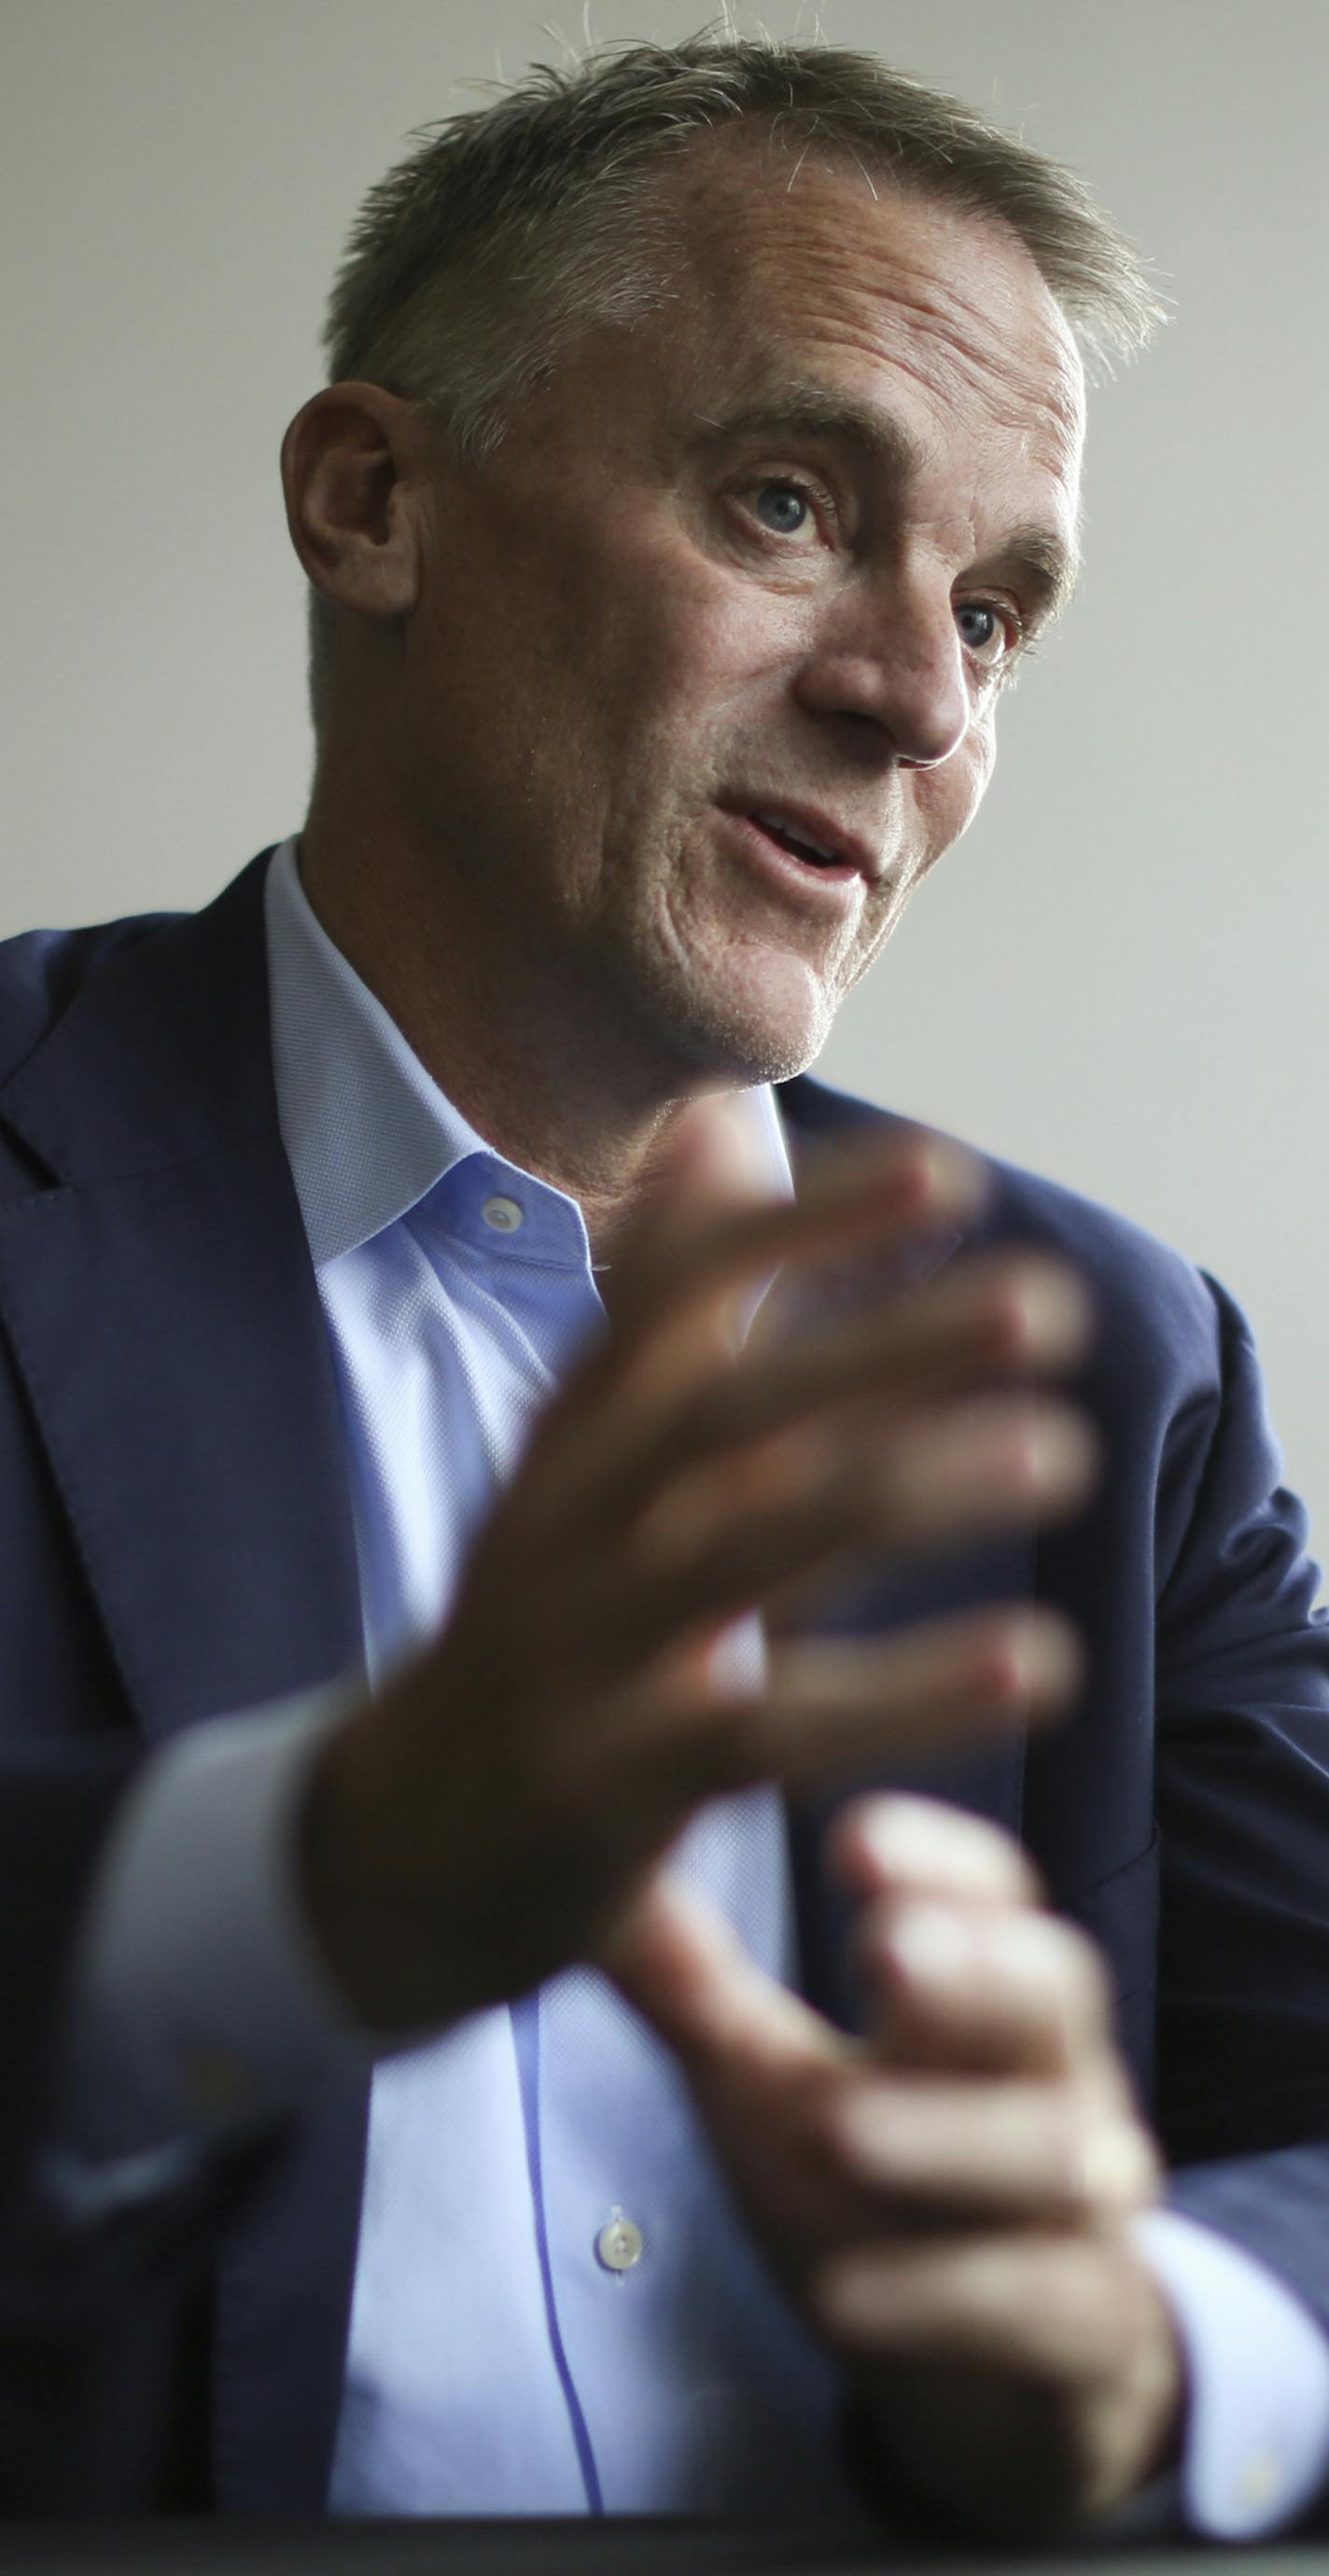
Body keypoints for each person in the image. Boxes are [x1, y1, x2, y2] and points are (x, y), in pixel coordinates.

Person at [3, 28, 1329, 2537]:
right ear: (374, 499)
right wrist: (298, 1886)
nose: (916, 698)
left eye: (1001, 611)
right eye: (795, 503)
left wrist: (1143, 2334)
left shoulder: (1119, 1360)